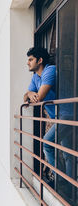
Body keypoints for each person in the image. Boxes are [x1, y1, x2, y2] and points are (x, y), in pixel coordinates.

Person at [24, 47, 73, 188]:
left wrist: (33, 95)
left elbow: (40, 97)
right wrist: (28, 93)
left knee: (46, 143)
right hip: (58, 117)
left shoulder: (50, 70)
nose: (28, 63)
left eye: (31, 59)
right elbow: (26, 97)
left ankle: (60, 180)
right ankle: (69, 184)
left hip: (67, 114)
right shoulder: (36, 77)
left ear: (40, 60)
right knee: (67, 153)